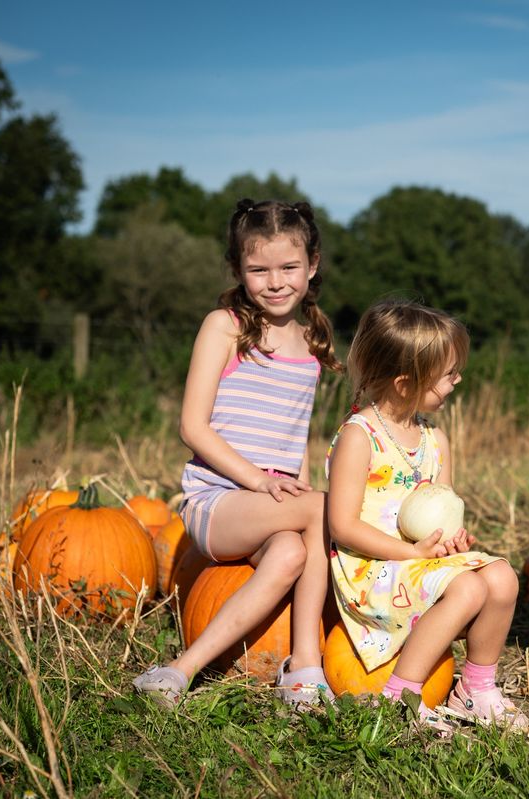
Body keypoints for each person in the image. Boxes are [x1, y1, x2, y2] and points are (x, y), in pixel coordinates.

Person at [133, 199, 342, 709]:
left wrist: (298, 489)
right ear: (238, 270)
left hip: (273, 503)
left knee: (294, 551)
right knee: (324, 506)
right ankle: (307, 666)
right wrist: (258, 480)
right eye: (259, 269)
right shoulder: (224, 327)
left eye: (289, 267)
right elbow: (192, 427)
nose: (275, 281)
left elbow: (298, 439)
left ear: (312, 265)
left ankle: (177, 673)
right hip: (218, 502)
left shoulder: (313, 337)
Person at [326, 299, 526, 734]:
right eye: (448, 375)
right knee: (471, 588)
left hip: (416, 558)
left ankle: (476, 689)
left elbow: (445, 511)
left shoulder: (436, 439)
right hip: (372, 567)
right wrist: (412, 552)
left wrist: (448, 543)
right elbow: (342, 526)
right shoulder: (360, 438)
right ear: (405, 383)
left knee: (503, 577)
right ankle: (400, 697)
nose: (458, 381)